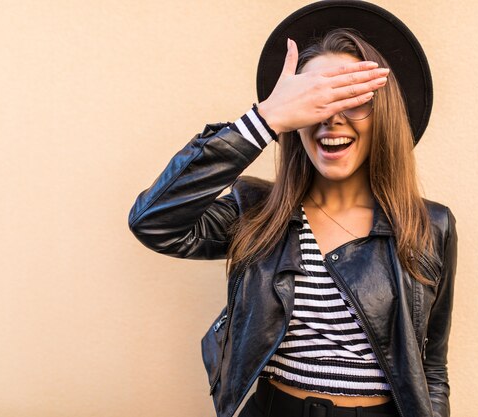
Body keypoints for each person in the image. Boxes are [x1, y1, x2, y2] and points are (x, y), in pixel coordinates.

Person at [128, 2, 458, 417]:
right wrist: (263, 120)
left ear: (383, 113)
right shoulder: (255, 212)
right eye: (314, 99)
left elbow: (432, 365)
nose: (331, 117)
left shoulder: (431, 225)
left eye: (352, 98)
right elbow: (153, 222)